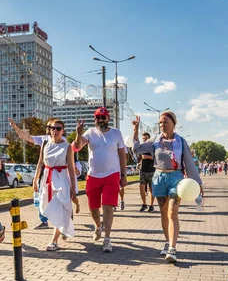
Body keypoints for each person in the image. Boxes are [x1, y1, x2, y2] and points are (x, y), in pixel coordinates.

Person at [133, 111, 203, 264]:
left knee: (172, 212)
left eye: (165, 122)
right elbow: (137, 150)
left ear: (173, 124)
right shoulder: (155, 140)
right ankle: (168, 242)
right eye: (160, 122)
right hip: (159, 178)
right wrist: (135, 130)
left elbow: (189, 163)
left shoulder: (181, 141)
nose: (162, 125)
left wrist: (197, 183)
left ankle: (172, 248)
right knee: (164, 213)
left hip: (176, 179)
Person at [74, 107, 128, 253]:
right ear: (95, 119)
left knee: (108, 206)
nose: (100, 120)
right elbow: (77, 147)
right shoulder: (90, 132)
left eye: (103, 117)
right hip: (93, 175)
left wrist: (124, 175)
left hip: (112, 174)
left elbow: (122, 155)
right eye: (98, 118)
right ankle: (98, 226)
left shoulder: (116, 133)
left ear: (108, 118)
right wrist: (78, 134)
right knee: (93, 208)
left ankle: (107, 239)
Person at [8, 118, 61, 230]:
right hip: (45, 173)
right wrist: (15, 127)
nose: (52, 130)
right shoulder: (44, 140)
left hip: (59, 174)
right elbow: (27, 137)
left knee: (59, 199)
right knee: (41, 198)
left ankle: (63, 220)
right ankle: (44, 221)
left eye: (56, 128)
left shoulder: (63, 141)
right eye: (50, 127)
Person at [33, 119, 77, 250]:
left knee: (59, 208)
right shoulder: (45, 144)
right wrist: (35, 180)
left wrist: (73, 187)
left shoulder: (67, 146)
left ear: (62, 130)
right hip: (47, 179)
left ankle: (54, 241)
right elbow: (40, 163)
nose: (55, 131)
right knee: (45, 208)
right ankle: (62, 227)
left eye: (58, 128)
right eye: (53, 128)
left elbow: (71, 167)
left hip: (61, 180)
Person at [138, 132, 156, 212]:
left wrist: (146, 156)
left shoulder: (152, 147)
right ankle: (144, 204)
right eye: (143, 139)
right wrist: (139, 157)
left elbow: (155, 158)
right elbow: (138, 158)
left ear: (149, 139)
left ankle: (151, 205)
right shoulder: (141, 147)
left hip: (152, 171)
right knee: (141, 188)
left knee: (151, 189)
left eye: (145, 139)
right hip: (143, 171)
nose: (144, 140)